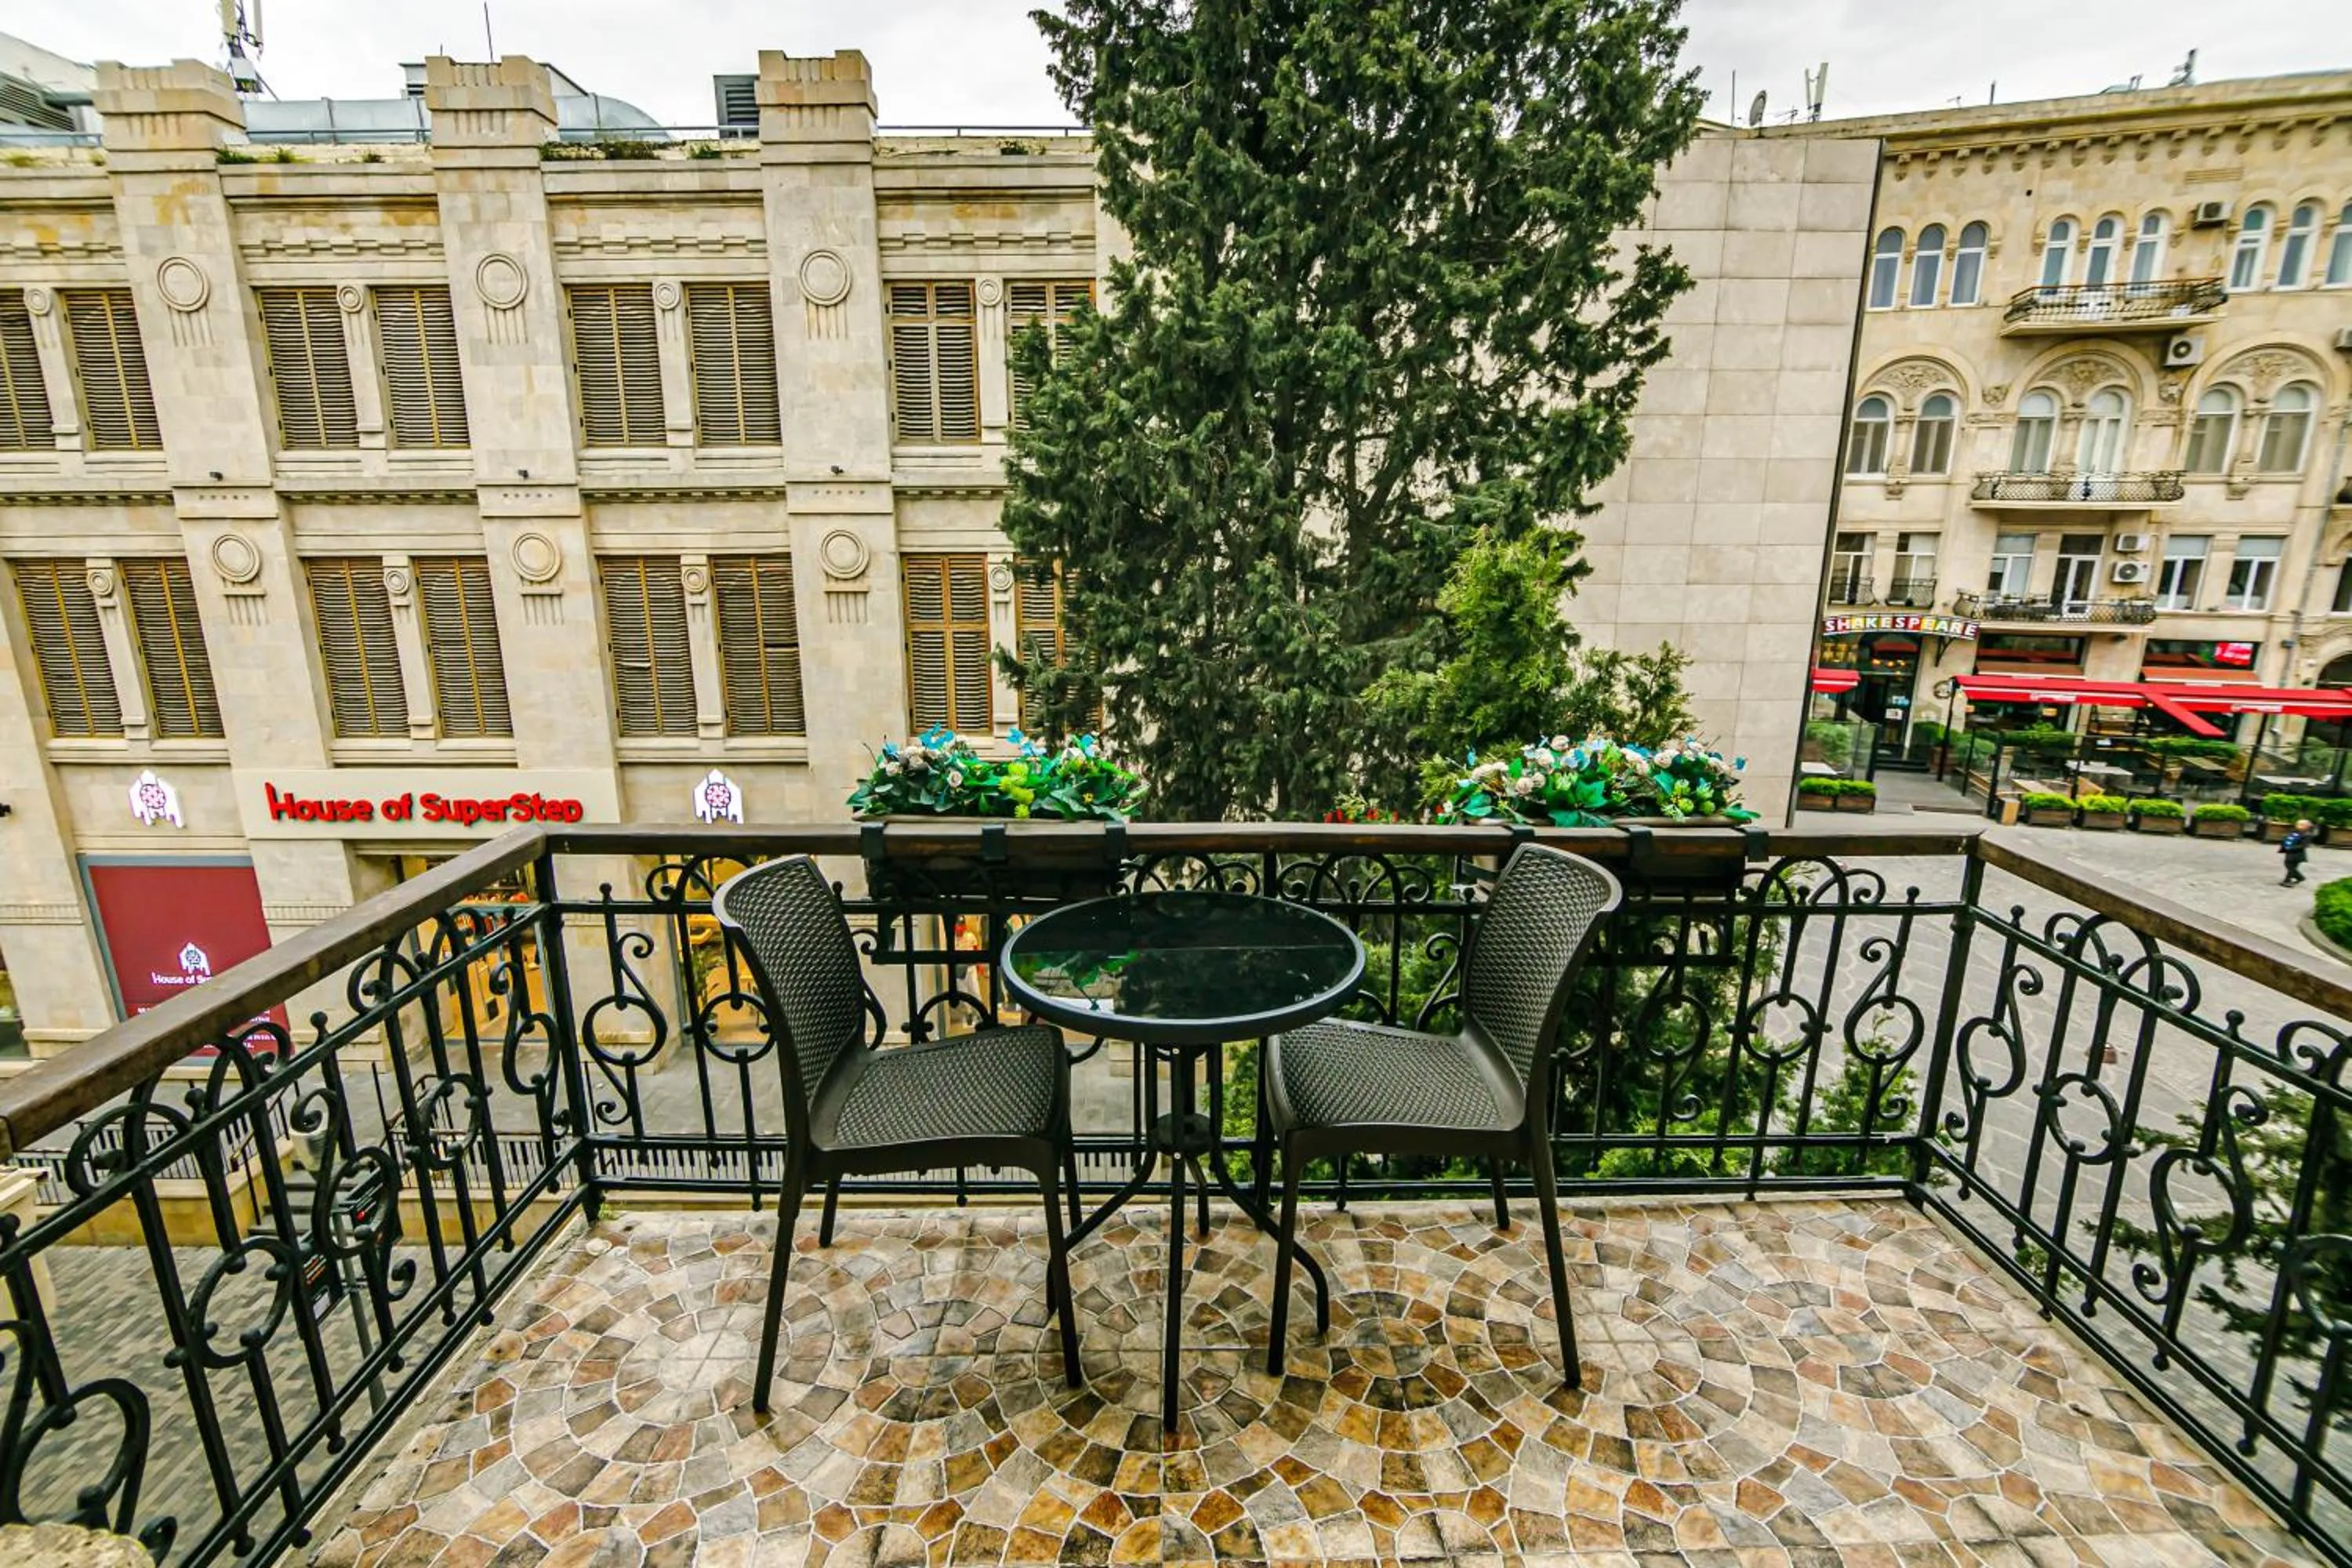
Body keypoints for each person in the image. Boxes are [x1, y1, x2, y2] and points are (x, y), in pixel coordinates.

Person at [2281, 818, 2315, 887]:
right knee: (2291, 867)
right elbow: (2290, 838)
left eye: (2300, 825)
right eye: (2297, 824)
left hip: (2298, 854)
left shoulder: (2307, 835)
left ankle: (2300, 878)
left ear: (2306, 826)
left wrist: (2290, 848)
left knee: (2290, 867)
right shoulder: (2296, 832)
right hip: (2290, 853)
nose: (2297, 825)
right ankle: (2287, 880)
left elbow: (2303, 846)